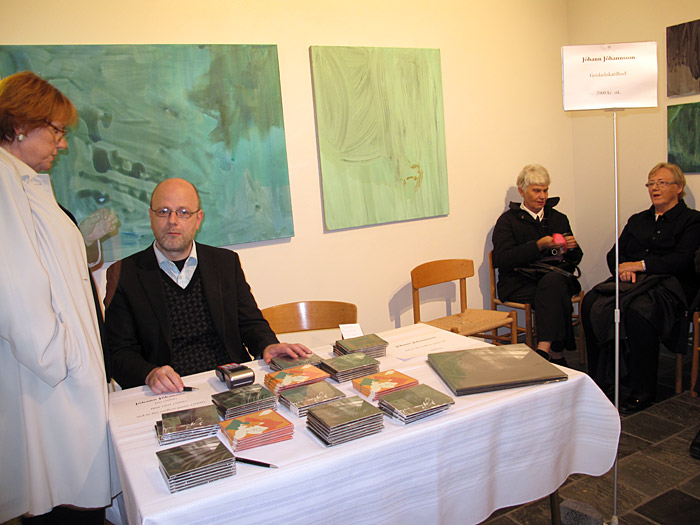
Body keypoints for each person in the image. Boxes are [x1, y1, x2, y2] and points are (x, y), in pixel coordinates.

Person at [0, 72, 116, 523]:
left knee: (70, 497)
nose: (62, 145)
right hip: (53, 379)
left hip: (63, 375)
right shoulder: (6, 183)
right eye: (58, 131)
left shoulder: (20, 181)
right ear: (23, 123)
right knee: (65, 505)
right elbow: (15, 291)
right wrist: (65, 356)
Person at [105, 177, 311, 393]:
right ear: (151, 216)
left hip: (230, 382)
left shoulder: (224, 263)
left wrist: (267, 345)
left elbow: (250, 323)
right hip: (170, 391)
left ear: (198, 219)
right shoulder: (124, 274)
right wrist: (149, 373)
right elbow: (118, 352)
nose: (172, 221)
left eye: (183, 212)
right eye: (163, 211)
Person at [582, 162, 700, 414]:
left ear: (679, 188)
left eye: (662, 183)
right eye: (651, 183)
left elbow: (682, 259)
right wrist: (624, 269)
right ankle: (600, 379)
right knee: (592, 301)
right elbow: (615, 254)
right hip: (631, 282)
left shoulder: (692, 220)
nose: (654, 188)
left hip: (670, 284)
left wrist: (640, 265)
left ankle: (642, 389)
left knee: (638, 310)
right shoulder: (638, 220)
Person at [492, 164, 583, 365]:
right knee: (555, 292)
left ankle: (544, 350)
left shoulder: (558, 218)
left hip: (554, 278)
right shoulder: (508, 221)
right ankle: (557, 355)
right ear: (522, 191)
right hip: (520, 282)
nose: (542, 196)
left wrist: (573, 248)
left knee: (553, 284)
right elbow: (501, 259)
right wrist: (537, 246)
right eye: (536, 190)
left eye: (545, 190)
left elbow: (576, 259)